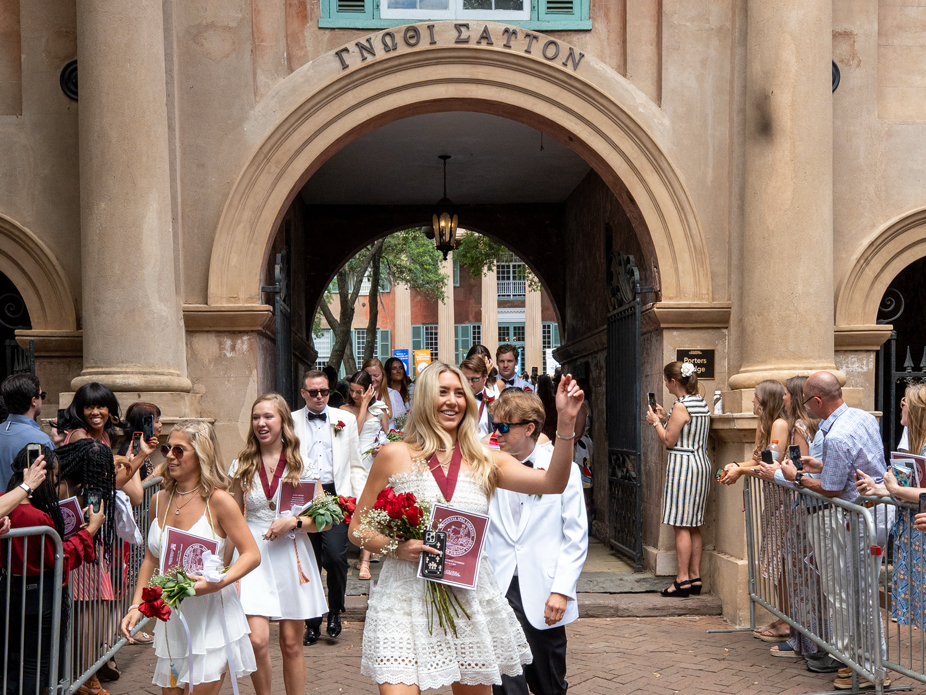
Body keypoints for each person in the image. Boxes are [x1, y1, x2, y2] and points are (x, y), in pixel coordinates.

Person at [349, 360, 585, 692]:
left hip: (466, 594)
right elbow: (358, 528)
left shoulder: (485, 458)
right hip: (403, 595)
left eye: (460, 393)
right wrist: (398, 547)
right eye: (442, 392)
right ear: (426, 398)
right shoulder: (394, 454)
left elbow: (552, 483)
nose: (452, 400)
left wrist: (566, 423)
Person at [120, 420, 260, 692]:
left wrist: (220, 581)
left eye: (179, 450)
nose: (169, 455)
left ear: (201, 454)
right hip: (172, 618)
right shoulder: (159, 499)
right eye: (167, 448)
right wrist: (136, 606)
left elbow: (251, 554)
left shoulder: (219, 501)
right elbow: (151, 558)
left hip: (211, 618)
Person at [778, 372, 890, 688]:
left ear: (817, 400)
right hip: (870, 512)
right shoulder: (861, 417)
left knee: (859, 594)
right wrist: (818, 467)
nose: (805, 408)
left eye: (805, 402)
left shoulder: (838, 435)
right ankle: (865, 663)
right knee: (860, 593)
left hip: (861, 518)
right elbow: (848, 470)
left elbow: (830, 489)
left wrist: (795, 476)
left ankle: (867, 668)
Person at [485, 389, 588, 695]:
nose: (496, 433)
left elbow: (576, 535)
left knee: (550, 686)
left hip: (545, 594)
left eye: (504, 427)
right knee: (505, 686)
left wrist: (561, 590)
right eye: (494, 425)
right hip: (499, 589)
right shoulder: (487, 468)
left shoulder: (563, 468)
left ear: (529, 428)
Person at [228, 394, 327, 695]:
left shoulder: (303, 465)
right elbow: (228, 518)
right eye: (256, 417)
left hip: (291, 554)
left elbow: (326, 520)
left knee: (291, 644)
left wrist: (293, 523)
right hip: (252, 554)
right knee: (256, 640)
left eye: (268, 417)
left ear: (283, 421)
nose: (261, 423)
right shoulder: (241, 464)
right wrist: (220, 566)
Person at [0, 446, 105, 695]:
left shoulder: (7, 502)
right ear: (42, 477)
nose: (57, 484)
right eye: (56, 478)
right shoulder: (36, 518)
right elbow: (59, 558)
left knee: (12, 659)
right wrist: (89, 530)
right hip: (39, 595)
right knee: (36, 664)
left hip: (10, 590)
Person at [293, 370, 363, 646]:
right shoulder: (290, 421)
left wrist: (356, 500)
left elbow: (356, 463)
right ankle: (311, 622)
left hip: (337, 495)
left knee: (335, 557)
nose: (320, 396)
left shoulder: (346, 419)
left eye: (324, 391)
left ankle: (335, 610)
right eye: (313, 392)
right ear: (304, 394)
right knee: (308, 559)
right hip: (303, 496)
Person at [718, 379, 790, 638]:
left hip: (782, 498)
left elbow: (772, 465)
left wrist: (742, 470)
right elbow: (759, 459)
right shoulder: (766, 425)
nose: (751, 401)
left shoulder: (780, 425)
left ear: (766, 400)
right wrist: (736, 464)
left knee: (779, 558)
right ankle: (783, 616)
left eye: (755, 397)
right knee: (773, 556)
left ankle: (787, 620)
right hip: (770, 498)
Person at [857, 384, 926, 631]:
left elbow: (915, 491)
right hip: (913, 536)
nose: (901, 406)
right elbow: (913, 488)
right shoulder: (918, 443)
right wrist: (879, 490)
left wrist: (895, 490)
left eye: (905, 401)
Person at [764, 376, 823, 660]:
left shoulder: (799, 427)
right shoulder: (814, 424)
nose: (783, 398)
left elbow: (801, 474)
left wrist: (778, 472)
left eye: (787, 394)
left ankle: (804, 638)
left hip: (803, 507)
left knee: (801, 577)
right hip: (810, 508)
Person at [645, 361, 711, 598]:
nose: (665, 384)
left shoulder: (682, 405)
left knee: (681, 523)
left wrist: (655, 422)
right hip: (700, 462)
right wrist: (665, 417)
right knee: (693, 524)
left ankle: (681, 579)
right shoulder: (700, 402)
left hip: (684, 466)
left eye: (666, 380)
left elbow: (669, 440)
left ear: (674, 382)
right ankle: (694, 576)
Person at [342, 371, 389, 581]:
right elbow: (355, 432)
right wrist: (363, 405)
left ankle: (365, 559)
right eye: (352, 391)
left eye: (359, 392)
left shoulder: (380, 410)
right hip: (352, 461)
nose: (354, 395)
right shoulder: (343, 410)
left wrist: (383, 447)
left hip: (371, 463)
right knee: (353, 506)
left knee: (368, 507)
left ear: (370, 389)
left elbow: (389, 435)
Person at [0, 373, 53, 489]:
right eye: (41, 395)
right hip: (23, 505)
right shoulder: (41, 440)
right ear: (33, 401)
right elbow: (50, 485)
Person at [62, 382, 121, 447]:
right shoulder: (79, 436)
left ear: (110, 410)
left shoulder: (104, 435)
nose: (95, 412)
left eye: (100, 407)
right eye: (88, 407)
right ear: (81, 411)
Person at [460, 355, 495, 438]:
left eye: (475, 379)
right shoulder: (456, 400)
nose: (470, 384)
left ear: (485, 377)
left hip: (489, 449)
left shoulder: (496, 398)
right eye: (466, 379)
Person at [384, 356, 411, 430]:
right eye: (394, 368)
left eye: (401, 368)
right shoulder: (385, 391)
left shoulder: (411, 389)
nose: (398, 371)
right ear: (388, 371)